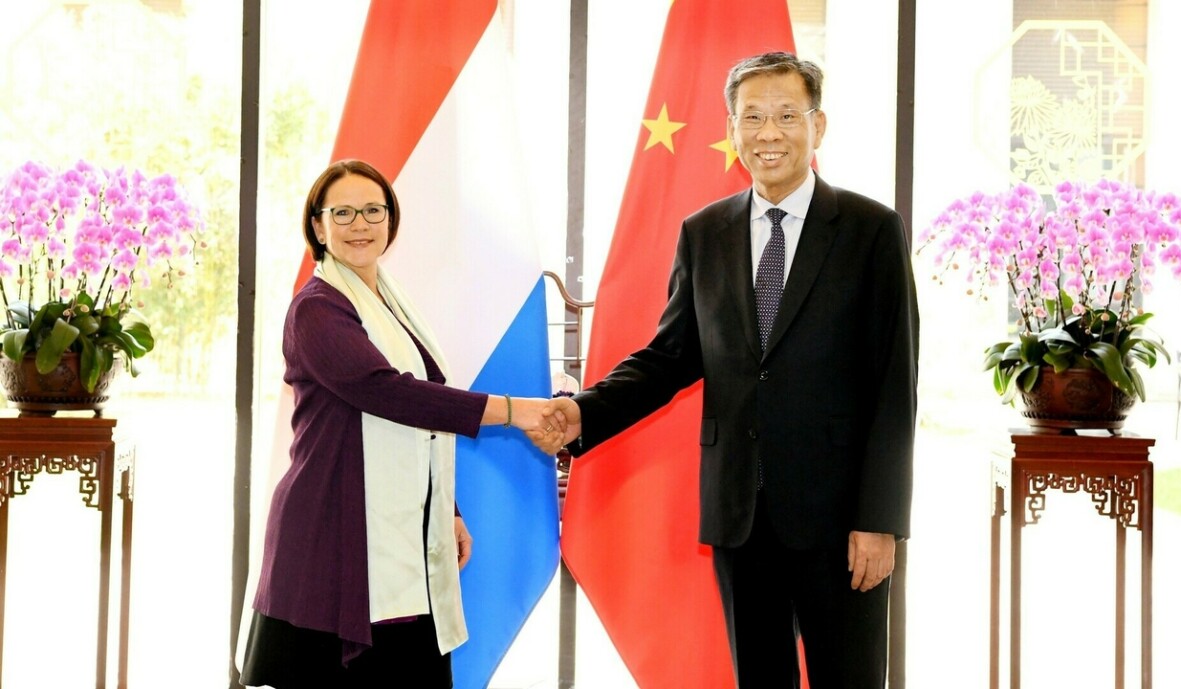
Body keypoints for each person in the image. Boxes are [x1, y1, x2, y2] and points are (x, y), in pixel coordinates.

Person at [543, 52, 919, 688]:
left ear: (818, 126)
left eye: (786, 116)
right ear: (732, 128)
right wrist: (583, 413)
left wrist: (880, 520)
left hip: (841, 522)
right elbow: (669, 358)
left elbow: (894, 386)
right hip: (740, 517)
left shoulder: (870, 230)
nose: (769, 133)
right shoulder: (705, 232)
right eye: (752, 117)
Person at [240, 159, 565, 688]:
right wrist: (516, 411)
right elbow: (388, 393)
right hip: (331, 531)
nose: (360, 224)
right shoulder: (316, 309)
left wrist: (446, 511)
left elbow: (421, 424)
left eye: (373, 210)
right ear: (318, 226)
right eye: (342, 213)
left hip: (404, 533)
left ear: (390, 220)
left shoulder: (391, 302)